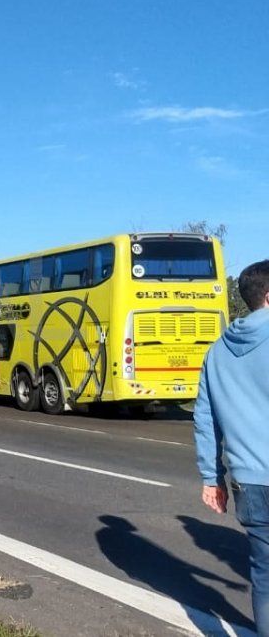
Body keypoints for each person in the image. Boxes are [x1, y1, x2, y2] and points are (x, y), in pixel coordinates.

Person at [195, 260, 269, 635]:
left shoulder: (216, 353)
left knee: (265, 573)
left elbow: (205, 419)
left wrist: (212, 477)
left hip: (247, 481)